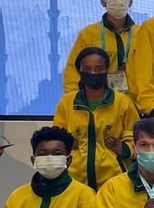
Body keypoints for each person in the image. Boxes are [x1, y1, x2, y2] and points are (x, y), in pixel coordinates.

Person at [54, 47, 139, 190]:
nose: (93, 73)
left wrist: (124, 148)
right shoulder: (67, 102)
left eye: (99, 69)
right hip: (74, 181)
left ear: (106, 70)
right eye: (87, 69)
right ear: (79, 71)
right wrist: (65, 141)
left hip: (114, 179)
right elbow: (56, 138)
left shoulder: (122, 102)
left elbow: (137, 137)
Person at [63, 0, 137, 96]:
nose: (117, 0)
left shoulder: (142, 33)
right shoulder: (89, 33)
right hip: (99, 103)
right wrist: (75, 99)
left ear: (130, 2)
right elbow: (73, 69)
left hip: (135, 105)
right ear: (103, 2)